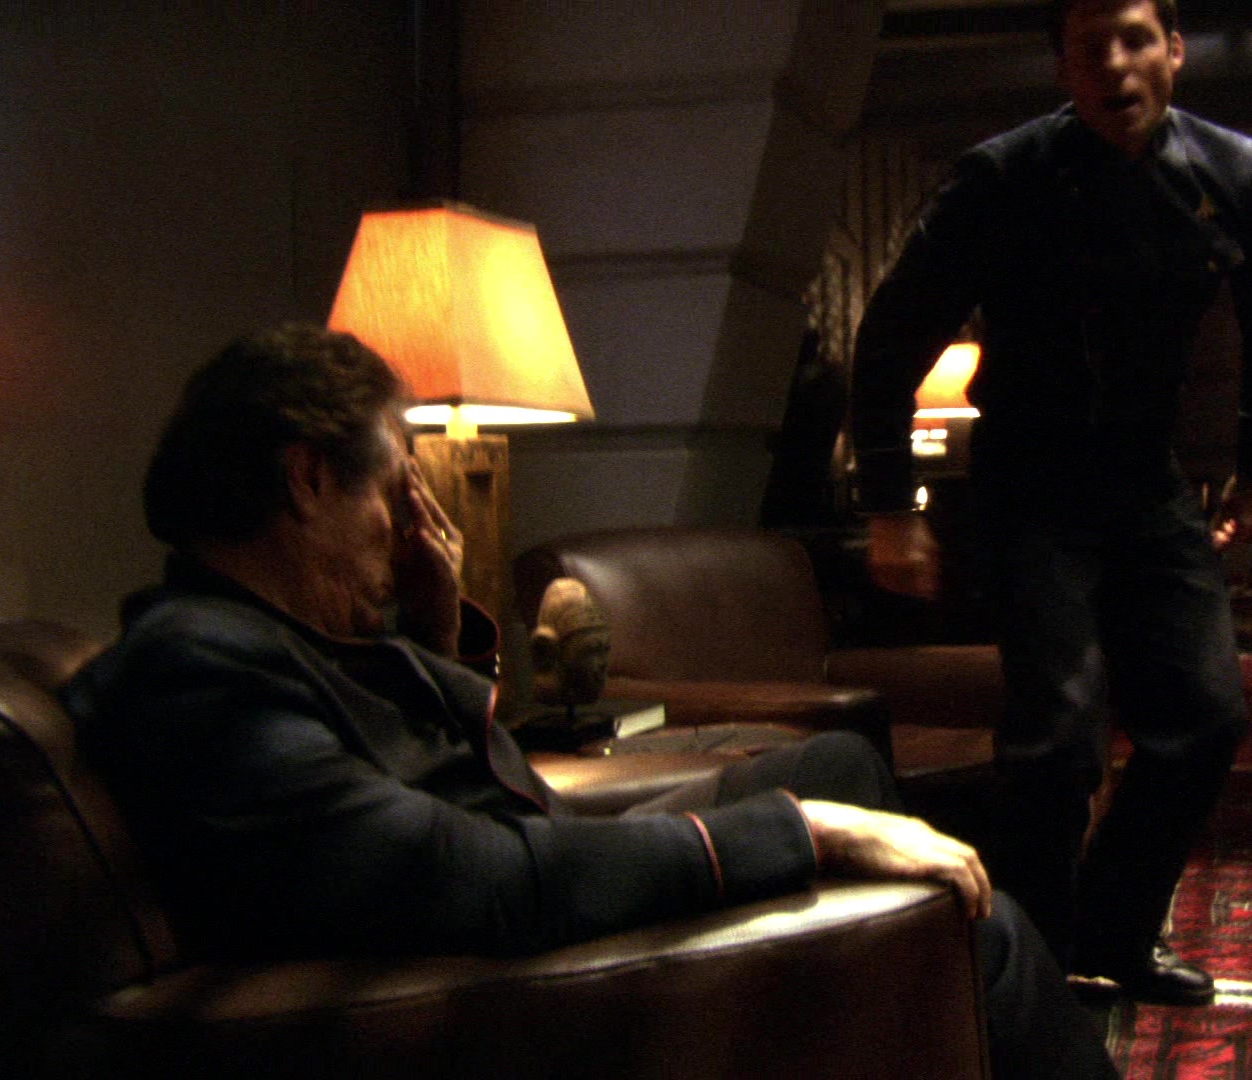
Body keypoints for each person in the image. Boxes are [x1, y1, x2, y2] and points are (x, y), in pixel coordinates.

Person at [61, 324, 1119, 1080]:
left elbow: (443, 771)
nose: (407, 518)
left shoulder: (269, 634)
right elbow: (478, 876)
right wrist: (802, 835)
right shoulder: (198, 671)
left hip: (515, 877)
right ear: (306, 478)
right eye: (392, 482)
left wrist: (433, 628)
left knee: (841, 767)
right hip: (499, 970)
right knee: (972, 926)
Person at [848, 0, 1252, 1006]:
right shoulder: (999, 177)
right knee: (1056, 736)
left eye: (1136, 39)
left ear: (1175, 49)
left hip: (1149, 482)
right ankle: (1036, 966)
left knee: (1207, 717)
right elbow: (890, 341)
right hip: (1030, 485)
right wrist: (890, 507)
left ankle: (1117, 933)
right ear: (1063, 67)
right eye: (1091, 48)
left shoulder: (1231, 170)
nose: (1116, 66)